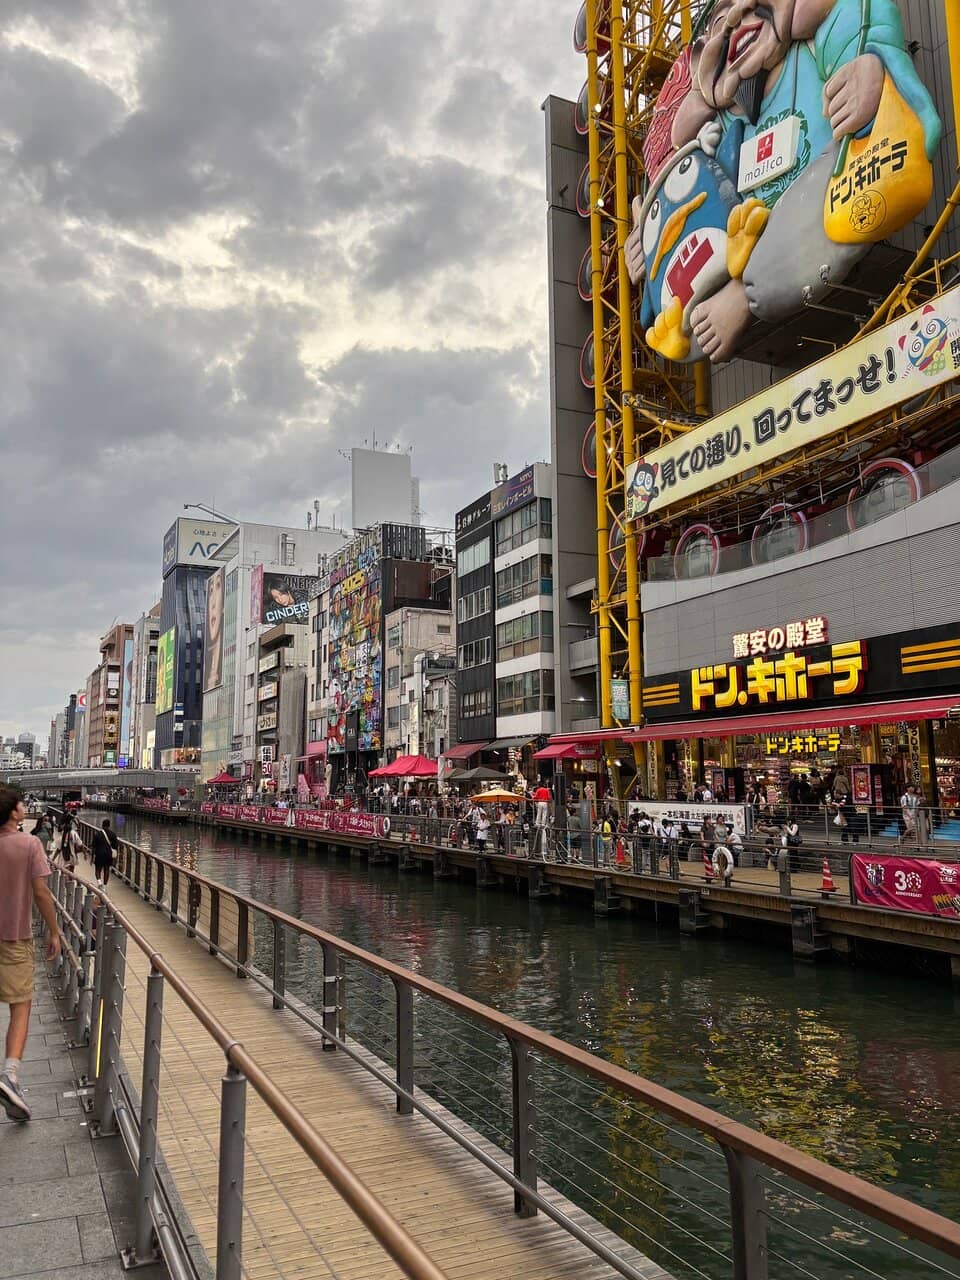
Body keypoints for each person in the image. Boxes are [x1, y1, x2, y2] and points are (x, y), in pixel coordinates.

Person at [0, 786, 61, 1121]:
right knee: (20, 1006)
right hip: (15, 937)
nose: (25, 807)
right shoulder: (29, 845)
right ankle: (10, 1075)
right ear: (13, 813)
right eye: (21, 804)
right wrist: (55, 931)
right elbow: (41, 892)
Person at [90, 819, 119, 886]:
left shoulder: (97, 834)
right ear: (109, 825)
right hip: (108, 854)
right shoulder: (113, 834)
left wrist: (92, 857)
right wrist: (115, 858)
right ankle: (105, 886)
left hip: (99, 854)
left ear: (102, 825)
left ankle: (99, 883)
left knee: (98, 869)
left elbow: (93, 846)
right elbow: (115, 847)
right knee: (106, 869)